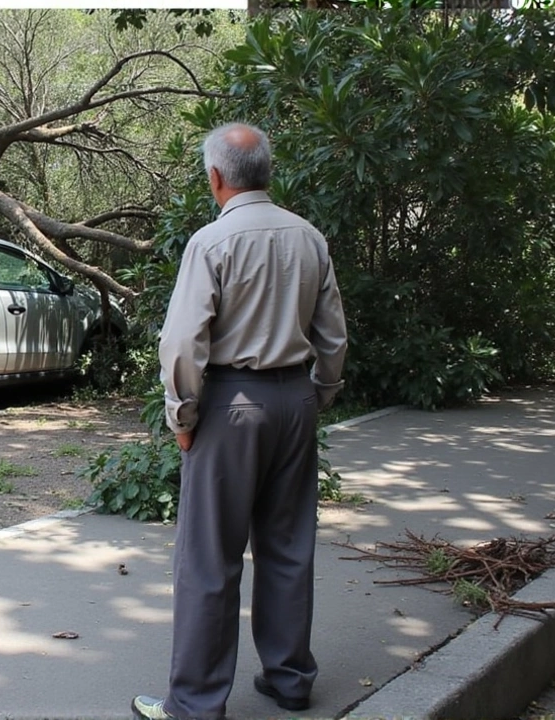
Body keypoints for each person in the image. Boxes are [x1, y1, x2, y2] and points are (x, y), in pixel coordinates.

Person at [131, 123, 349, 720]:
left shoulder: (212, 242)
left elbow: (182, 342)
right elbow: (333, 334)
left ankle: (196, 704)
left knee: (209, 558)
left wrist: (183, 412)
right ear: (267, 175)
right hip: (295, 401)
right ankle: (289, 679)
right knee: (287, 547)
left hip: (231, 405)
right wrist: (319, 394)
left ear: (216, 177)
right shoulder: (310, 239)